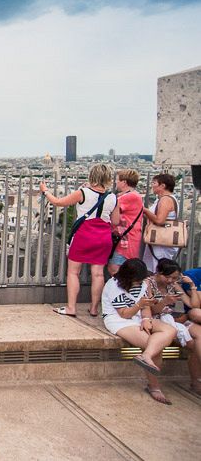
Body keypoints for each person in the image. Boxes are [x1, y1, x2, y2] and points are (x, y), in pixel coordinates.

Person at [41, 164, 120, 317]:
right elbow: (116, 221)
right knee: (98, 274)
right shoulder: (112, 197)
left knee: (73, 272)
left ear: (92, 176)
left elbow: (58, 202)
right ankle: (94, 308)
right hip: (103, 237)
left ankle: (71, 308)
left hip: (84, 235)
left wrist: (45, 191)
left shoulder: (83, 193)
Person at [100, 258, 176, 405]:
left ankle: (145, 356)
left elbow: (146, 305)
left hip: (138, 317)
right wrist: (139, 305)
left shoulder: (143, 282)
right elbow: (124, 313)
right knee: (154, 346)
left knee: (170, 330)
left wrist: (146, 319)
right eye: (137, 280)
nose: (140, 283)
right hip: (118, 320)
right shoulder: (113, 286)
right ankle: (154, 387)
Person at [147, 258, 201, 395]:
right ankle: (196, 382)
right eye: (168, 277)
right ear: (158, 272)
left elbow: (193, 305)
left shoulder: (174, 285)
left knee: (200, 335)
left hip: (174, 319)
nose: (171, 280)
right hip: (157, 320)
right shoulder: (148, 283)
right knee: (192, 345)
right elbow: (151, 311)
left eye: (174, 277)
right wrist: (165, 301)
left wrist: (192, 286)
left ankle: (196, 383)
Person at [109, 169, 144, 276]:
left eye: (117, 180)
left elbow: (110, 205)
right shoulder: (132, 195)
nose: (115, 182)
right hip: (124, 238)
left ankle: (122, 291)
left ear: (124, 182)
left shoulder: (130, 197)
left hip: (126, 240)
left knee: (115, 269)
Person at [142, 173, 179, 273]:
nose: (152, 185)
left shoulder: (166, 200)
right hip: (160, 239)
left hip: (161, 240)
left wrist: (145, 210)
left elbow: (159, 220)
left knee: (159, 269)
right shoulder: (163, 199)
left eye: (154, 183)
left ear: (162, 186)